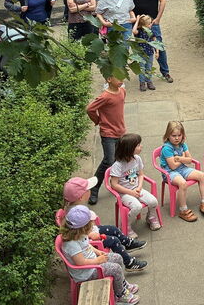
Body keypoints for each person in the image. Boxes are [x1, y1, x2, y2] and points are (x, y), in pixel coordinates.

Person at [62, 177, 148, 271]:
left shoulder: (75, 206)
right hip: (87, 239)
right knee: (113, 240)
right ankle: (129, 263)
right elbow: (76, 231)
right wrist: (90, 234)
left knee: (113, 229)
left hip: (87, 232)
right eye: (88, 189)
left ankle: (128, 243)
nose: (90, 190)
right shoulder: (75, 212)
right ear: (81, 197)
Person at [60, 205, 140, 304]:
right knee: (115, 269)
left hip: (92, 263)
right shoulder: (71, 244)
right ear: (82, 229)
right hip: (86, 273)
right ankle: (120, 295)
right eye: (90, 225)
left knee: (118, 257)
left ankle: (122, 285)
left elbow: (87, 246)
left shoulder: (79, 234)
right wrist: (98, 260)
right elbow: (81, 263)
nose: (93, 226)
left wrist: (97, 252)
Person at [108, 134, 162, 237]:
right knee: (137, 207)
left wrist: (139, 187)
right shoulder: (118, 165)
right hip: (124, 194)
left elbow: (141, 175)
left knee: (153, 201)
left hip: (137, 189)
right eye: (138, 145)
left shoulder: (137, 159)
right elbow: (114, 185)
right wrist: (130, 192)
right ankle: (125, 225)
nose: (141, 146)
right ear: (129, 149)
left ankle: (150, 218)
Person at [127, 0, 172, 83]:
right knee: (138, 48)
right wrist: (133, 18)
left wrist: (158, 18)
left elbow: (162, 1)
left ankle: (165, 72)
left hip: (152, 23)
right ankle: (142, 77)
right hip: (137, 23)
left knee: (158, 46)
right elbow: (128, 3)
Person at [86, 75, 128, 205]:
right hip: (108, 133)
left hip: (120, 132)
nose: (122, 79)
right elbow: (90, 109)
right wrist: (98, 120)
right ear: (109, 79)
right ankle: (94, 188)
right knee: (108, 161)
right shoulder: (105, 96)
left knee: (118, 159)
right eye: (118, 77)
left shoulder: (122, 91)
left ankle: (116, 183)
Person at [159, 121, 204, 222]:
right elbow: (172, 166)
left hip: (182, 169)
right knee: (182, 183)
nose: (177, 138)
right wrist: (183, 158)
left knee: (203, 176)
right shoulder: (166, 148)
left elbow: (190, 160)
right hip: (170, 173)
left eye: (179, 135)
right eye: (174, 135)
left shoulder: (183, 144)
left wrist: (180, 158)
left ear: (183, 135)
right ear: (168, 135)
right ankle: (183, 210)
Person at [131, 15, 158, 91]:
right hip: (141, 54)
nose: (151, 25)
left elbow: (155, 41)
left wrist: (157, 51)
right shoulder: (139, 32)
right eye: (149, 24)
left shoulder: (151, 32)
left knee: (149, 68)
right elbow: (133, 31)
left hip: (150, 53)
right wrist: (137, 20)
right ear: (144, 25)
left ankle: (149, 81)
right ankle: (142, 83)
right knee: (142, 68)